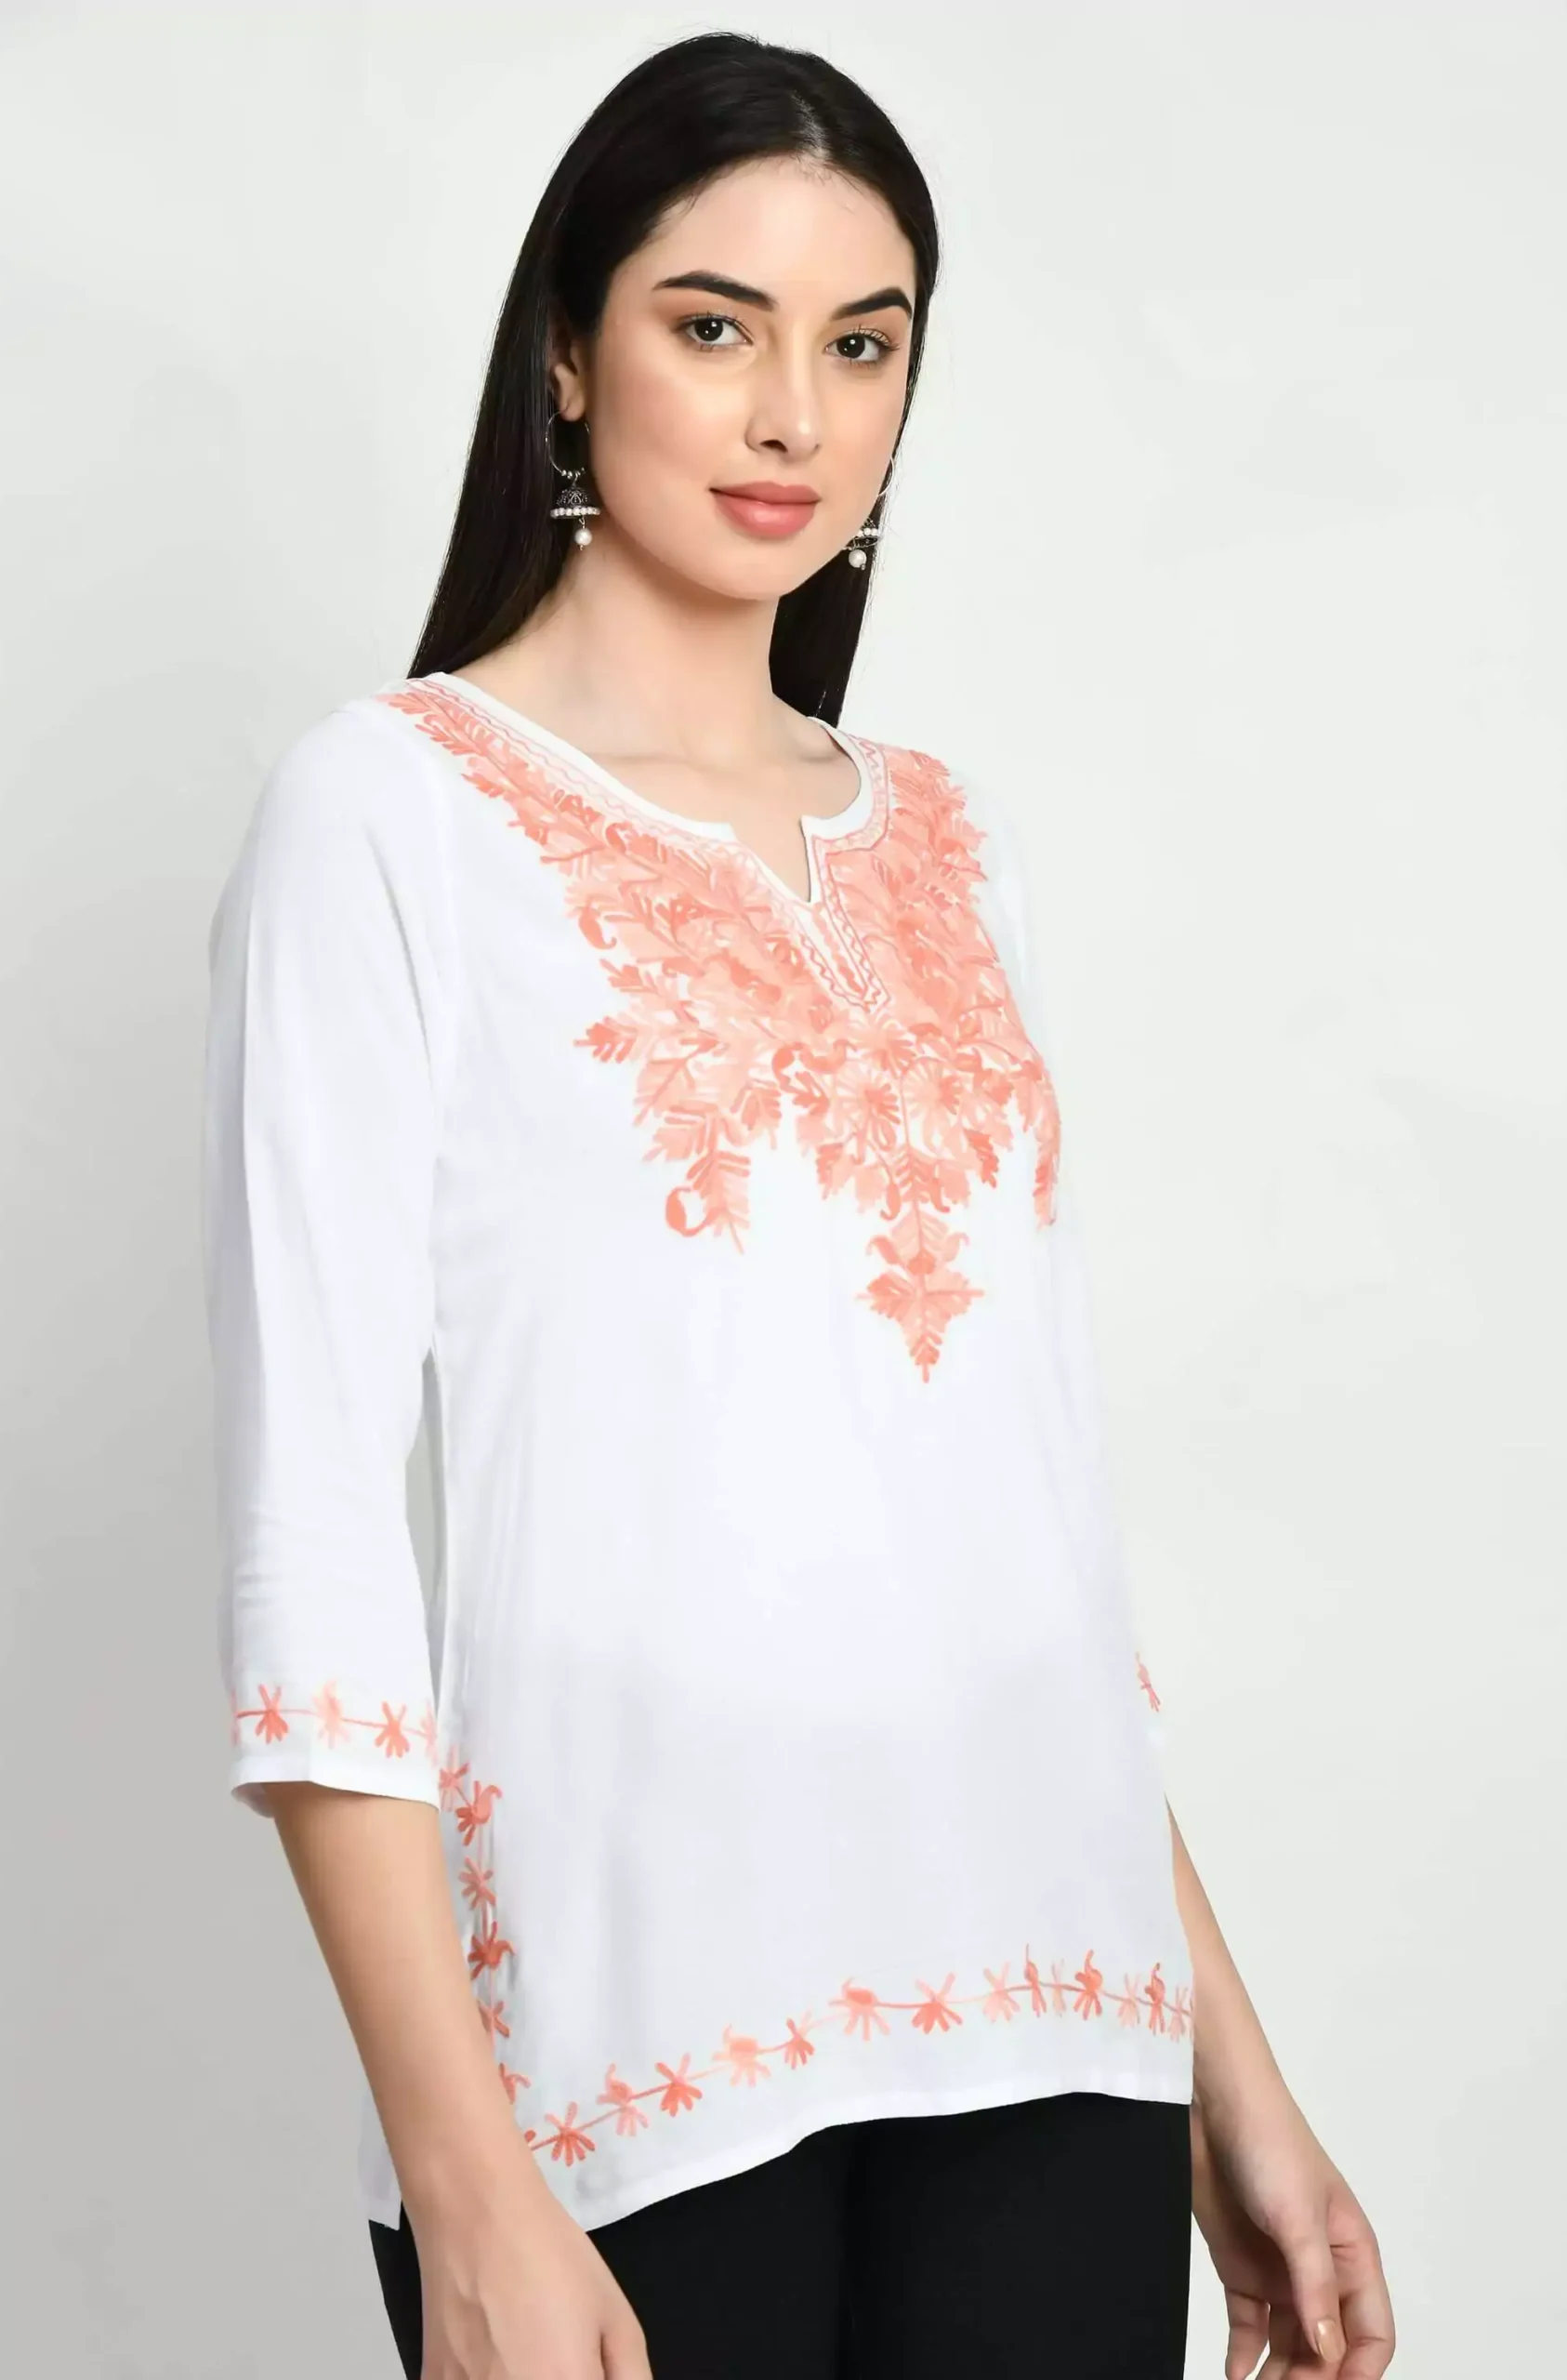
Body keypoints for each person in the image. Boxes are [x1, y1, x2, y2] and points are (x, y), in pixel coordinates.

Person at [200, 30, 1395, 2380]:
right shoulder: (393, 816)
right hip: (632, 2060)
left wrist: (1225, 2076)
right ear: (568, 350)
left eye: (861, 345)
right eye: (711, 323)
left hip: (1060, 2035)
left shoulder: (946, 838)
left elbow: (1021, 1532)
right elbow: (311, 1542)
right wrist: (465, 2178)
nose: (790, 415)